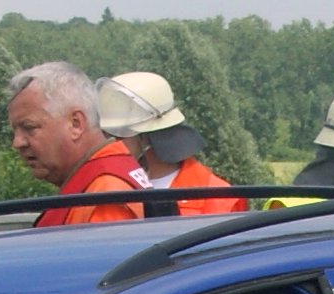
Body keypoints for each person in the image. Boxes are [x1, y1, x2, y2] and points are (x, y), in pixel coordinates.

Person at [7, 62, 147, 224]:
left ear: (76, 124)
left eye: (29, 127)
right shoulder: (100, 183)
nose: (17, 142)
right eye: (15, 131)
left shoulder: (106, 196)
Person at [98, 71, 242, 214]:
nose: (111, 144)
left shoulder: (219, 200)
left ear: (148, 136)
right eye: (105, 134)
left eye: (119, 135)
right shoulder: (107, 190)